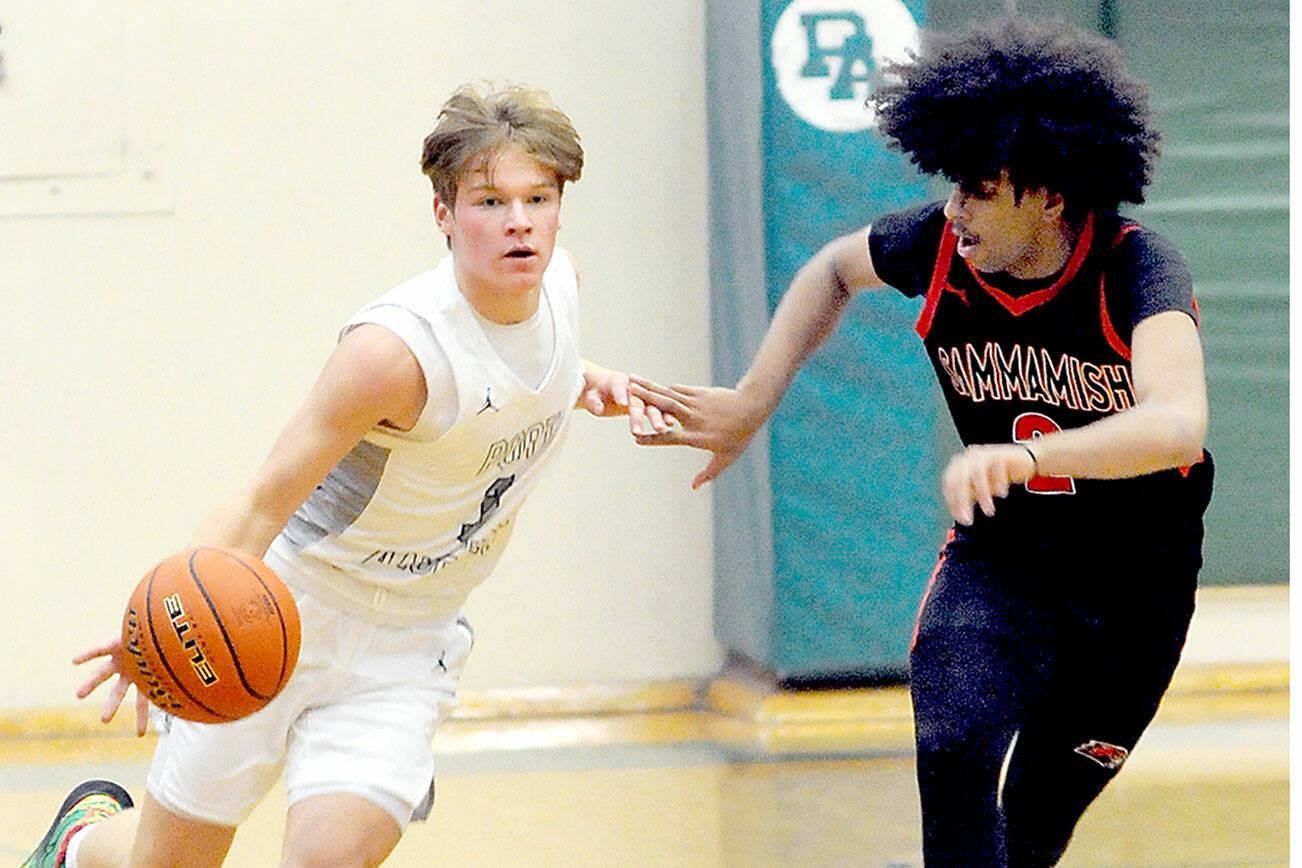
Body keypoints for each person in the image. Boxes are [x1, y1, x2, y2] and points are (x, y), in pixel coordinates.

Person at [25, 81, 667, 868]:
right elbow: (261, 504)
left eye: (538, 197)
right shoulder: (391, 354)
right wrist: (160, 622)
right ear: (442, 213)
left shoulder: (560, 288)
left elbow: (525, 369)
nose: (519, 222)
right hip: (285, 612)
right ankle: (83, 842)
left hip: (410, 637)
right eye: (489, 201)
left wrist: (586, 381)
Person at [631, 16, 1212, 867]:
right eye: (952, 185)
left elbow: (1177, 425)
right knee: (952, 745)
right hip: (1005, 558)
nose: (955, 209)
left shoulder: (1135, 267)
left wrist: (1030, 457)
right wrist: (753, 401)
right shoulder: (936, 248)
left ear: (1049, 194)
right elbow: (833, 268)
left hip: (1134, 592)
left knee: (1035, 819)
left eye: (979, 188)